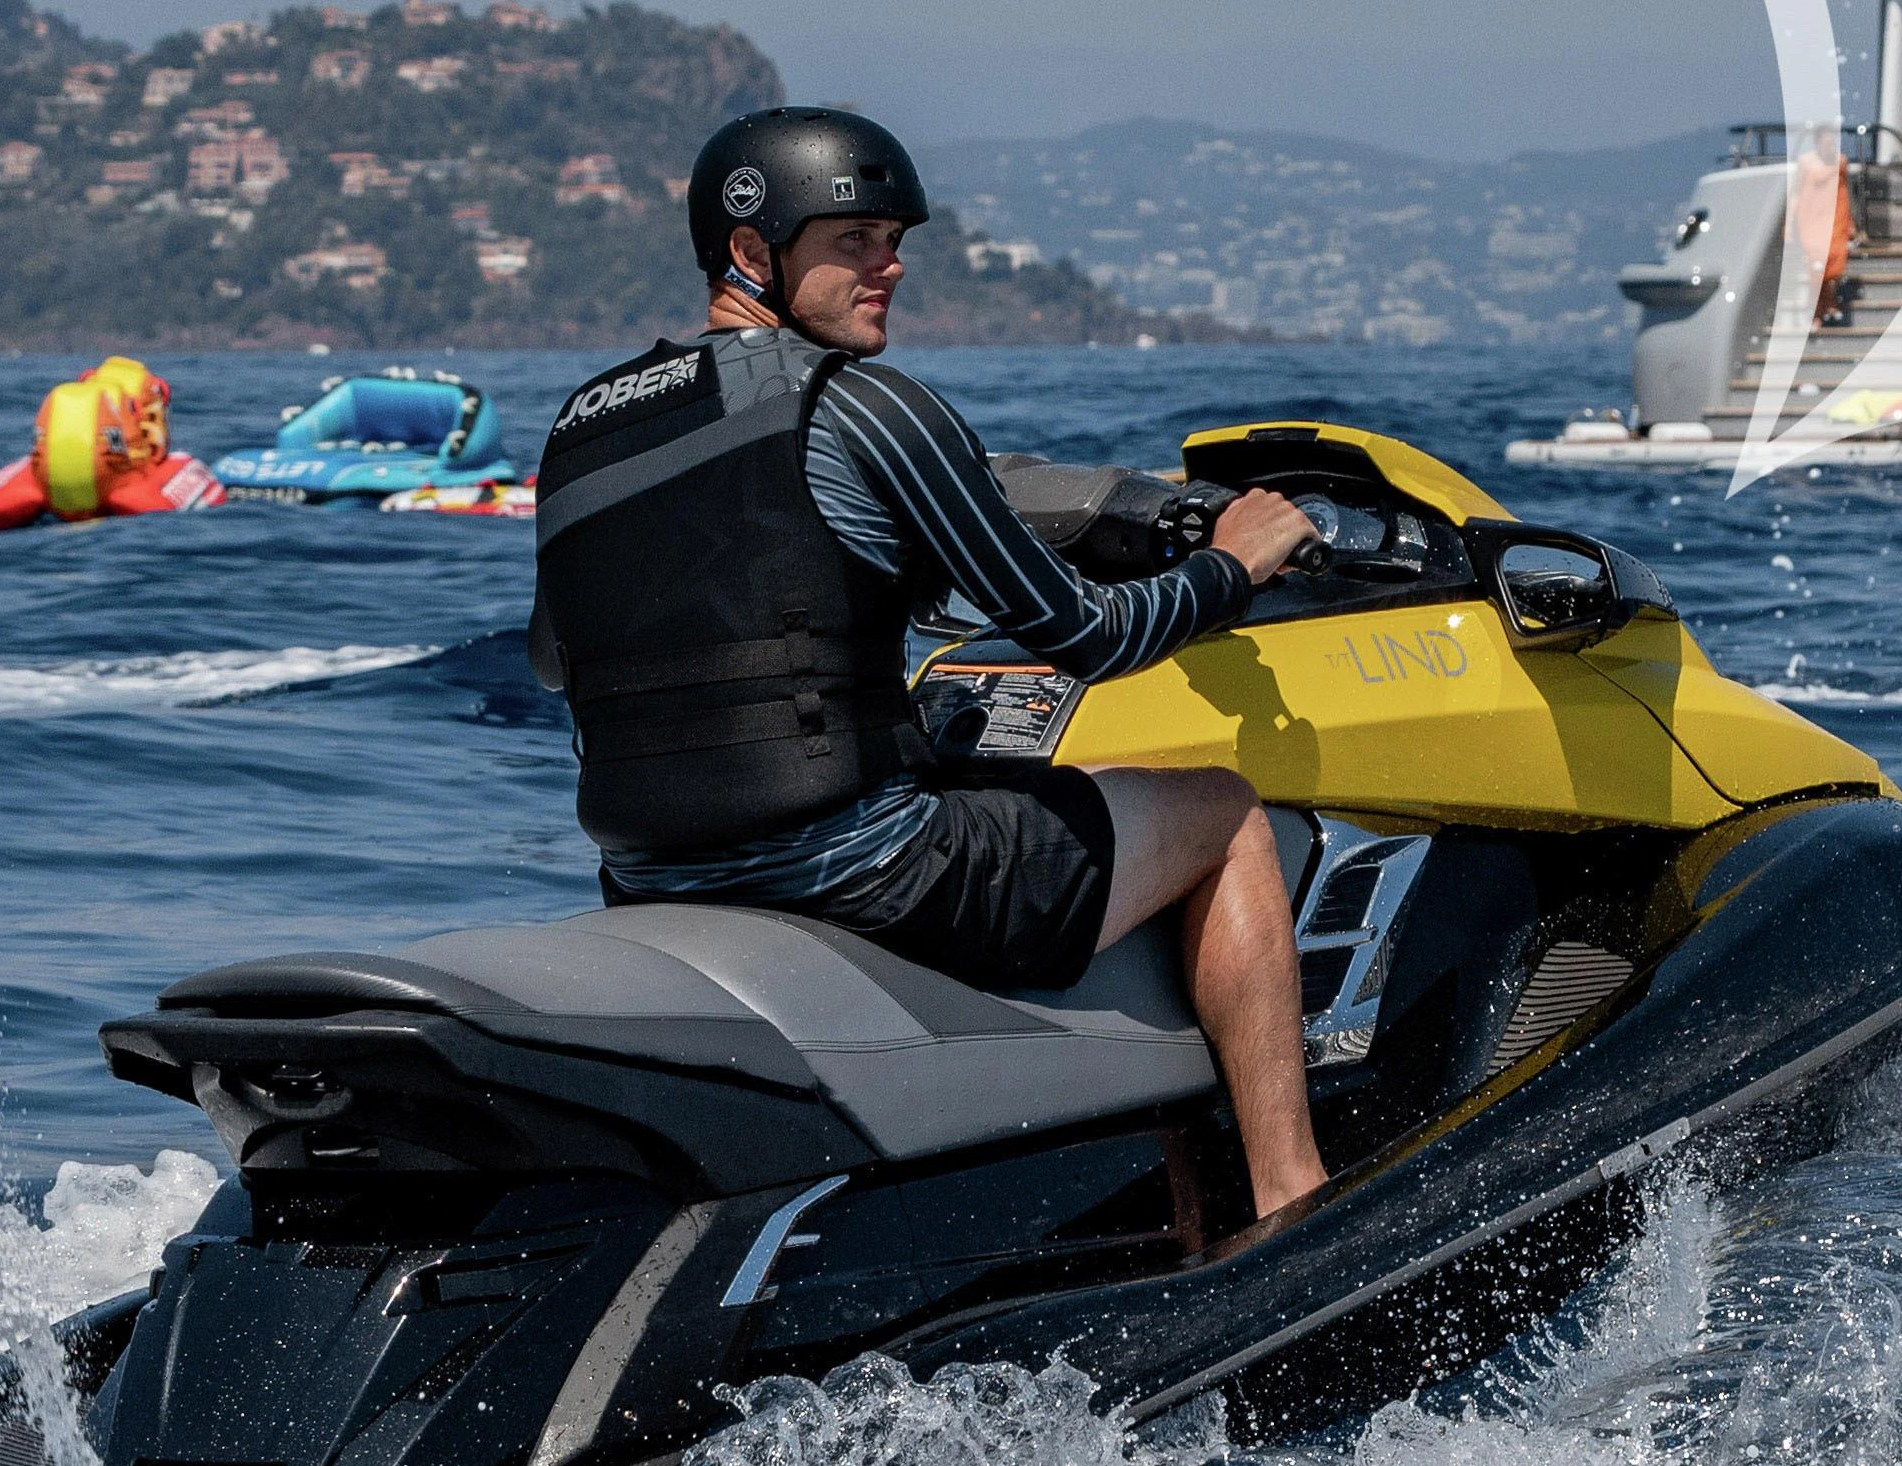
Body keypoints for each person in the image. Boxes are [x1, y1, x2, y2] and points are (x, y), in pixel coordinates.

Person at [529, 105, 1334, 1232]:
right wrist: (1234, 566)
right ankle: (1291, 1200)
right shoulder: (865, 403)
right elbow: (1092, 638)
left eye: (895, 236)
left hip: (656, 881)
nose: (889, 263)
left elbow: (561, 662)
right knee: (1223, 813)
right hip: (870, 874)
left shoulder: (579, 427)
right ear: (753, 253)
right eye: (851, 238)